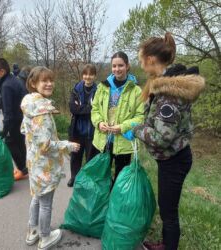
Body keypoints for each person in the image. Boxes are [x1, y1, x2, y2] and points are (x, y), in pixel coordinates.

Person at [131, 33, 205, 250]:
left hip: (174, 160)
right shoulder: (163, 85)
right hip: (172, 158)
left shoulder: (168, 95)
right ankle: (166, 243)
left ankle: (169, 247)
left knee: (168, 212)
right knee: (167, 207)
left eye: (141, 59)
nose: (141, 64)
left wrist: (136, 130)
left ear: (151, 59)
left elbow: (162, 138)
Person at [20, 66, 80, 250]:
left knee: (37, 198)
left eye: (50, 80)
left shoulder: (29, 104)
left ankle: (32, 232)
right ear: (33, 83)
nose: (49, 84)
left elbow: (24, 130)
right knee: (45, 203)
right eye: (44, 81)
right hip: (44, 165)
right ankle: (45, 237)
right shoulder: (42, 111)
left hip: (33, 161)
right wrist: (68, 145)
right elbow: (46, 145)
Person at [90, 51, 144, 183]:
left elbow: (140, 117)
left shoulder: (136, 90)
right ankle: (102, 202)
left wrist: (123, 127)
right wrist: (99, 123)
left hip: (124, 142)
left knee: (121, 179)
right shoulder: (103, 87)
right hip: (102, 140)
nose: (117, 69)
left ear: (127, 66)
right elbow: (95, 109)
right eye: (114, 66)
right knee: (100, 177)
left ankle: (116, 202)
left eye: (120, 65)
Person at [0, 58, 28, 181]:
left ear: (2, 70)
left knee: (11, 143)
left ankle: (22, 169)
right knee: (20, 143)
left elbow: (8, 111)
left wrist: (4, 130)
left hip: (14, 120)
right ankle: (25, 167)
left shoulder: (6, 85)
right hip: (21, 118)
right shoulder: (14, 79)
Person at [67, 64, 97, 187]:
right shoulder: (76, 89)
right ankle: (74, 177)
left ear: (95, 76)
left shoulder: (99, 90)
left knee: (90, 157)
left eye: (90, 74)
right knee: (75, 156)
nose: (87, 77)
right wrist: (88, 108)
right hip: (77, 130)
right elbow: (73, 108)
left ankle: (87, 180)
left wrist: (81, 108)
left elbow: (97, 109)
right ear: (82, 75)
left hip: (92, 130)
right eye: (85, 74)